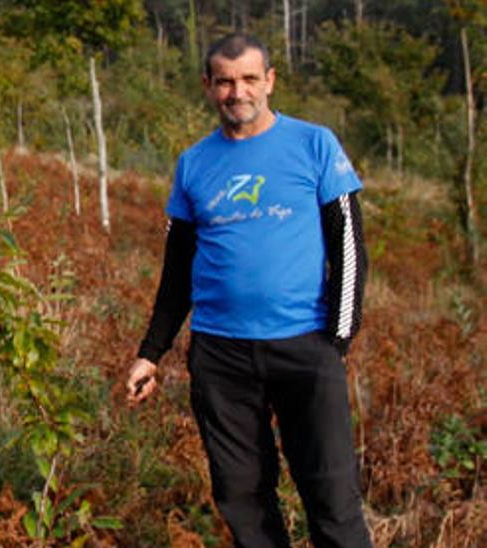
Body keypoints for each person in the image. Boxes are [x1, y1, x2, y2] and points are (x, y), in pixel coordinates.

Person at [124, 33, 372, 548]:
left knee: (331, 494)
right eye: (225, 82)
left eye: (249, 79)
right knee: (243, 498)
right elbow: (178, 269)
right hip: (221, 358)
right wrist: (152, 352)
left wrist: (337, 341)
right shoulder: (194, 163)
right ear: (209, 86)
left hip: (305, 346)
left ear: (270, 81)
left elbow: (348, 245)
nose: (238, 92)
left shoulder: (314, 144)